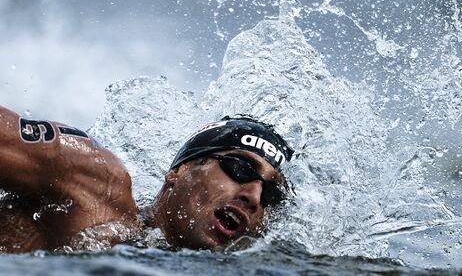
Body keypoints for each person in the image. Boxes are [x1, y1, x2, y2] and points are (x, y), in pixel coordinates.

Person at [0, 105, 293, 253]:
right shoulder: (92, 186)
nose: (254, 196)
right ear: (180, 171)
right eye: (240, 168)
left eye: (272, 194)